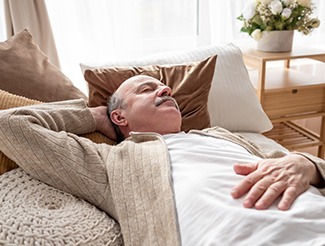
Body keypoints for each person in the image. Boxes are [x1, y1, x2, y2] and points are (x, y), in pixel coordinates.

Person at [0, 75, 325, 245]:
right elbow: (11, 126)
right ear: (120, 116)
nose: (166, 89)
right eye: (146, 89)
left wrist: (306, 163)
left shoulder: (222, 135)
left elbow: (297, 164)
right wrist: (95, 116)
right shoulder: (112, 163)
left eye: (164, 86)